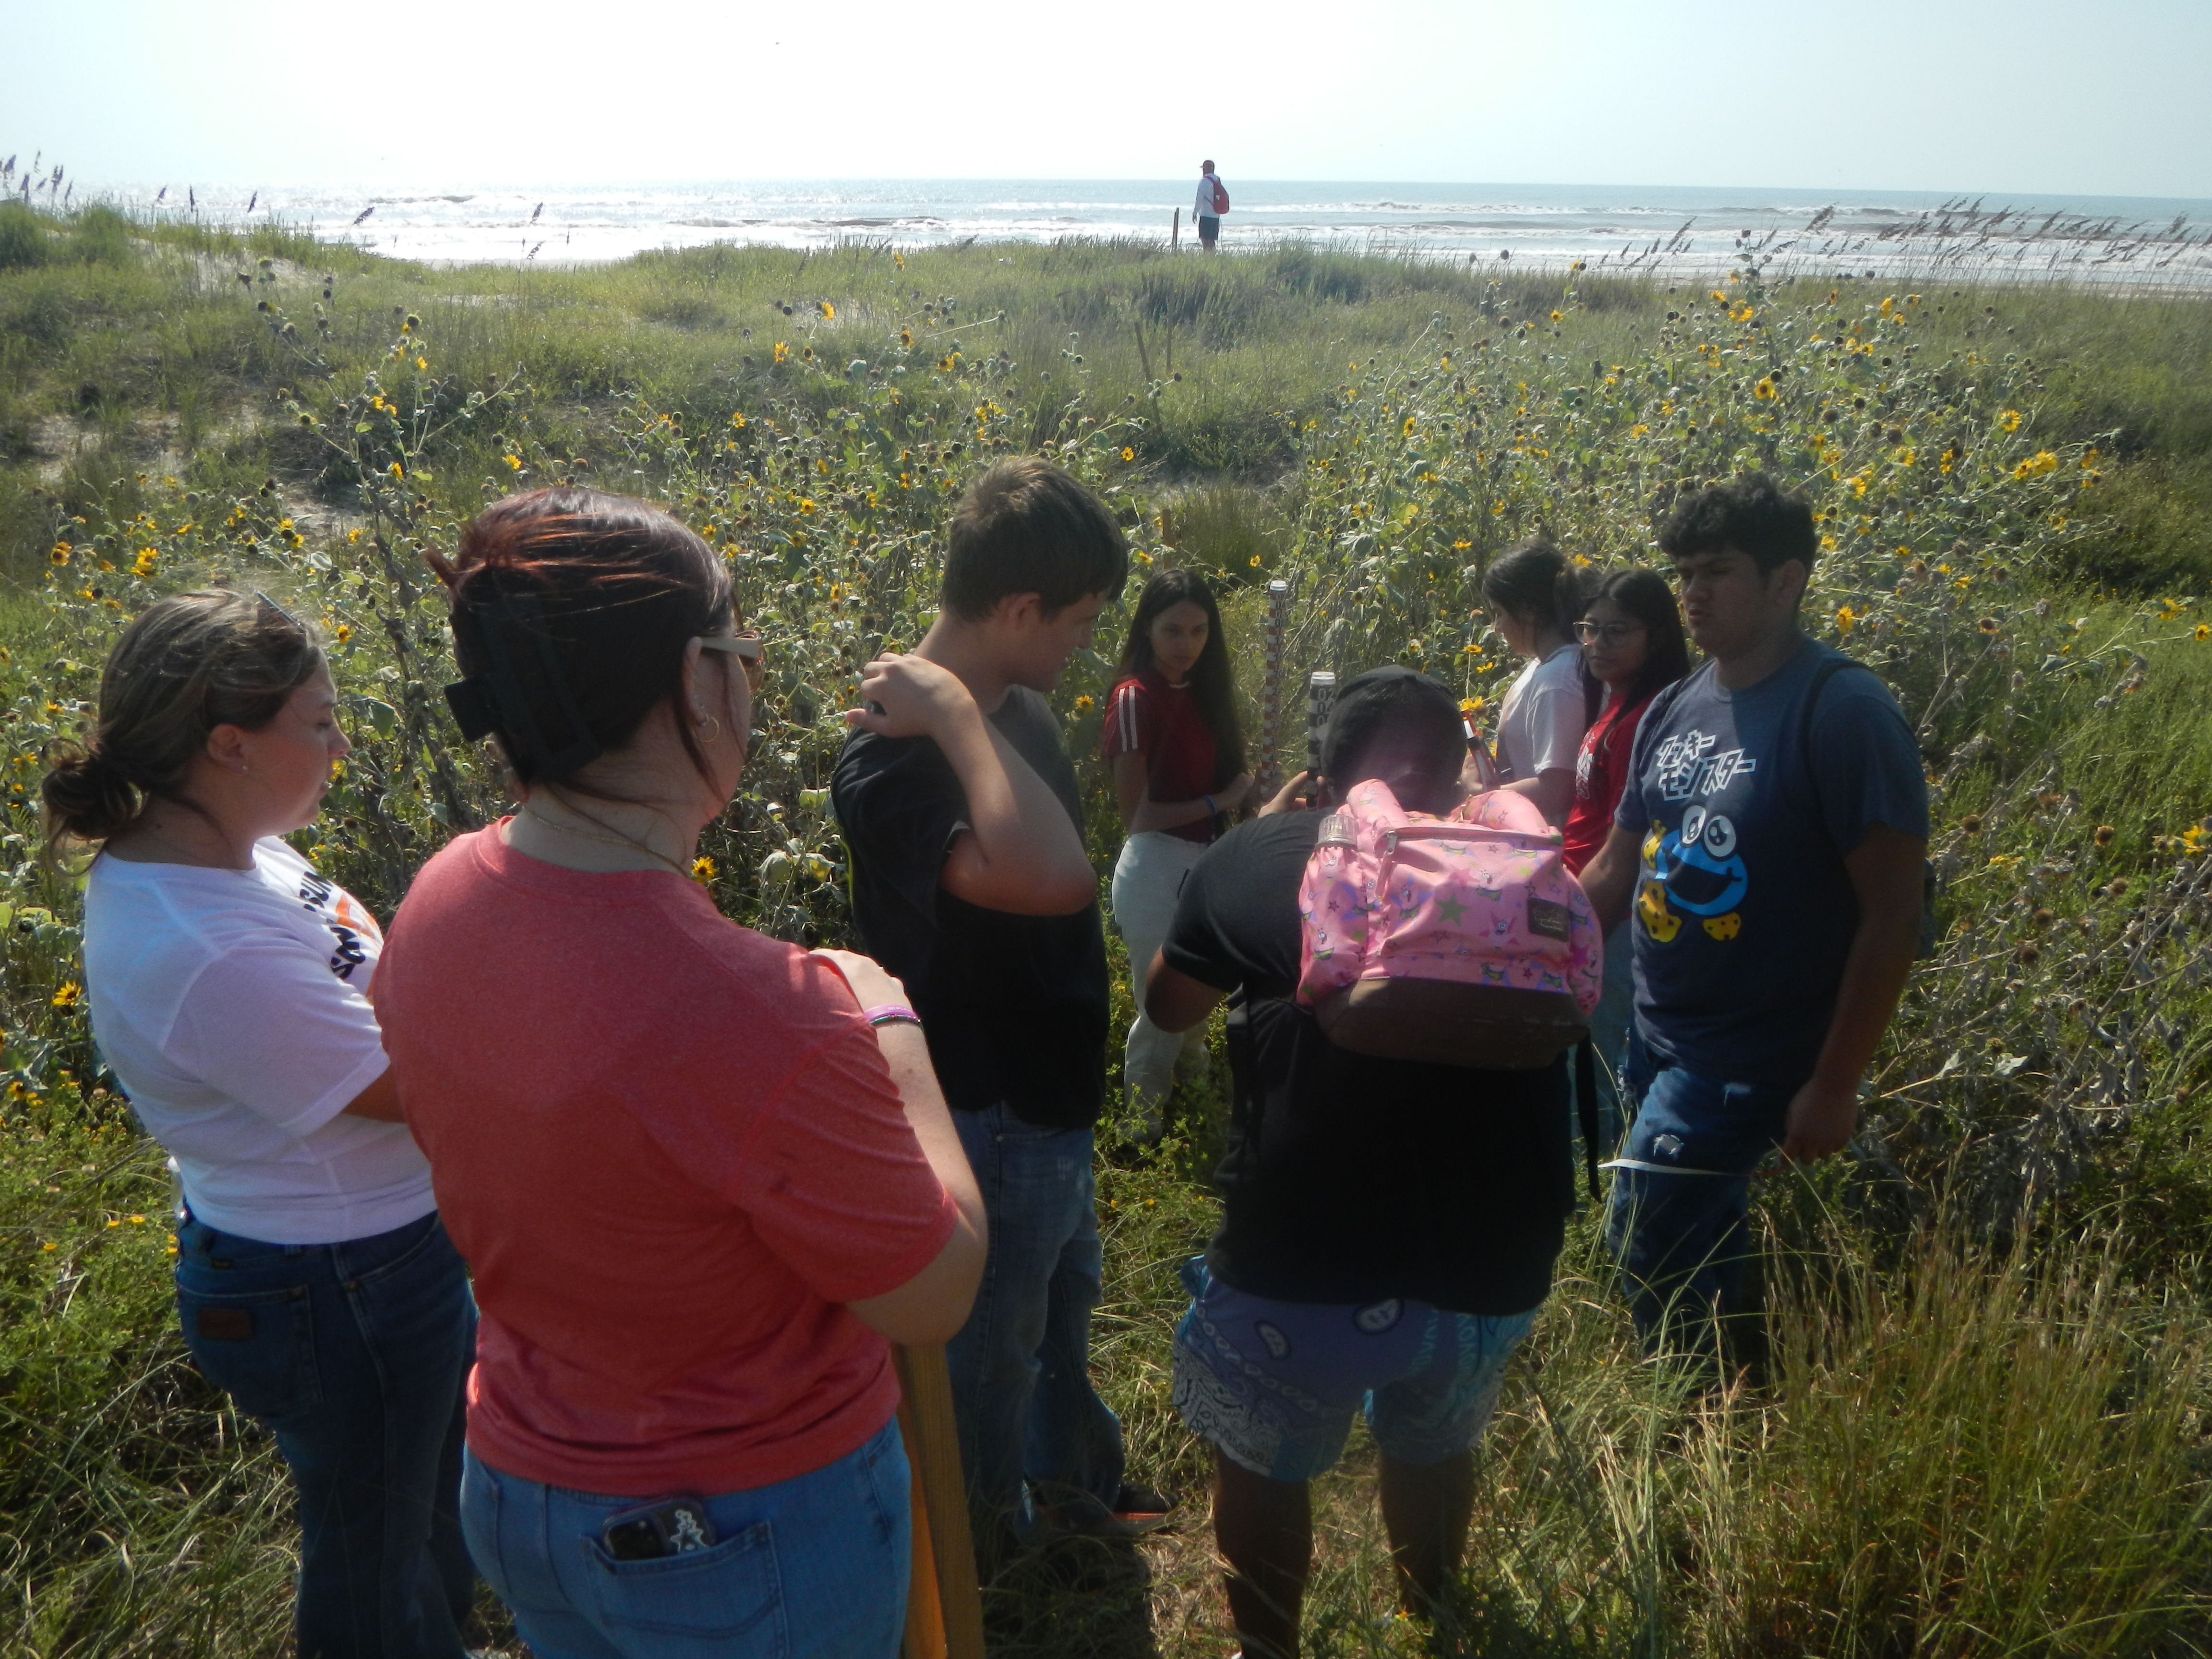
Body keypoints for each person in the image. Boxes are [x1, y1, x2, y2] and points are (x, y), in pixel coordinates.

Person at [375, 488, 986, 1659]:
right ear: (699, 680)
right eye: (743, 653)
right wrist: (887, 1018)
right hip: (738, 1533)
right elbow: (932, 1290)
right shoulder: (765, 1007)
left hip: (519, 1484)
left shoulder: (440, 895)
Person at [48, 589, 476, 1659]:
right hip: (334, 1284)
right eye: (321, 722)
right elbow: (406, 1089)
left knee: (421, 1521)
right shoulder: (201, 943)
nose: (339, 745)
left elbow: (368, 992)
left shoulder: (237, 851)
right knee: (373, 1567)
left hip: (364, 1259)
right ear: (231, 744)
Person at [1144, 667, 1574, 1659]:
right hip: (1493, 1265)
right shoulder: (1519, 871)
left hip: (1306, 1265)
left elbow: (1171, 1007)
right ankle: (1430, 1613)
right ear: (1456, 772)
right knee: (1437, 1438)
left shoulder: (1264, 852)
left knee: (1260, 1454)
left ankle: (1271, 1650)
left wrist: (1256, 850)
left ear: (1331, 772)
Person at [831, 456, 1166, 1563]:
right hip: (990, 1105)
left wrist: (981, 710)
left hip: (1049, 1092)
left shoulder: (1013, 705)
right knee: (994, 1344)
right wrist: (955, 718)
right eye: (1073, 622)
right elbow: (1052, 878)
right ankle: (988, 1543)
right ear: (1016, 607)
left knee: (1062, 1305)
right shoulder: (893, 756)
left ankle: (1074, 1473)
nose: (1081, 644)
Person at [1577, 476, 1929, 1359]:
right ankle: (1737, 1400)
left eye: (1717, 572)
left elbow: (1893, 914)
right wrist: (1514, 951)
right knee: (1694, 1234)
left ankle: (1680, 1420)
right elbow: (1616, 869)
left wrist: (1836, 1082)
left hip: (1749, 1050)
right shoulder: (1674, 704)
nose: (1692, 592)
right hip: (1654, 1033)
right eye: (1684, 572)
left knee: (1646, 1230)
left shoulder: (1843, 711)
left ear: (1787, 579)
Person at [1102, 568, 1255, 1138]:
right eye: (1173, 631)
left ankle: (1197, 1107)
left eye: (1198, 631)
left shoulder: (1208, 694)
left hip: (1205, 864)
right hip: (1155, 868)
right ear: (1147, 628)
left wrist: (1248, 799)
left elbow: (1229, 795)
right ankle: (1141, 1134)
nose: (1186, 645)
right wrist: (1222, 798)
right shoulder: (1135, 697)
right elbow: (1136, 817)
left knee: (1197, 1003)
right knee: (1161, 1009)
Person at [1560, 568, 1691, 1150]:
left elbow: (1629, 841)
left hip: (1611, 915)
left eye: (1617, 632)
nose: (1597, 645)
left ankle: (1590, 1176)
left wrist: (1591, 918)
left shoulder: (1647, 720)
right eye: (1589, 629)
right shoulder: (1615, 705)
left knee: (1590, 1050)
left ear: (1656, 637)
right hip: (1584, 896)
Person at [1482, 540, 1595, 826]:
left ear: (1528, 610)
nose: (1497, 627)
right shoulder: (1542, 667)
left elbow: (1557, 790)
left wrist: (1480, 798)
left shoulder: (1558, 679)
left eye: (1499, 613)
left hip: (1551, 846)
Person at [1194, 160, 1228, 252]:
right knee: (1212, 239)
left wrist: (1195, 212)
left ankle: (1207, 256)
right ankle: (1213, 256)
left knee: (1204, 238)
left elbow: (1200, 198)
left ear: (1205, 169)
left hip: (1206, 214)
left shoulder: (1204, 181)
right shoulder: (1217, 180)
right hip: (1216, 214)